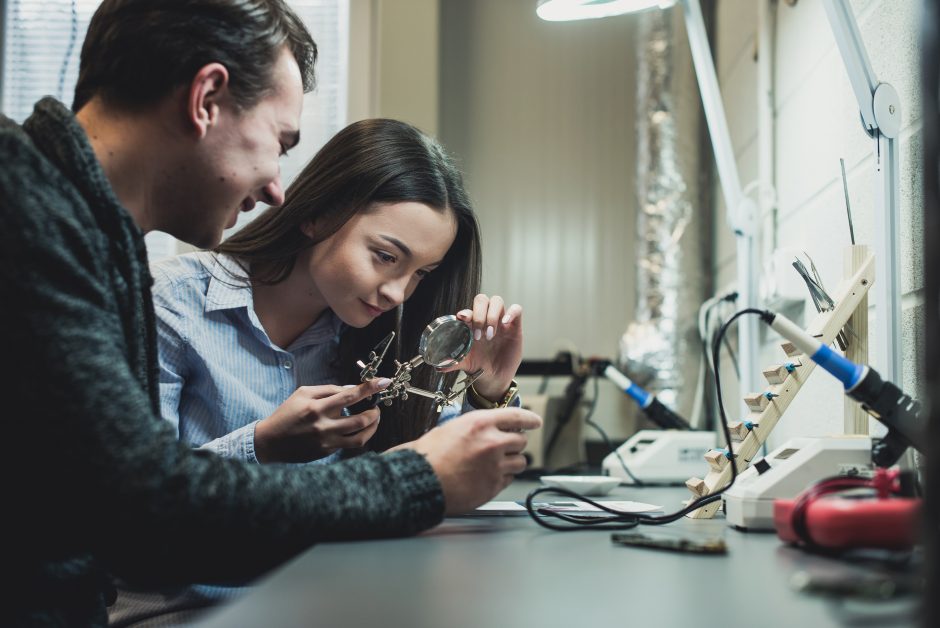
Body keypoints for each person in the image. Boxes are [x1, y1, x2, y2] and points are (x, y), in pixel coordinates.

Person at [0, 1, 540, 625]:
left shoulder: (79, 230)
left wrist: (487, 395)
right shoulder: (31, 214)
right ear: (206, 98)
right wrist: (412, 479)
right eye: (279, 143)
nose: (278, 188)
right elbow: (142, 510)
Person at [152, 118, 525, 467]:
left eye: (421, 274)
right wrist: (261, 445)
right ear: (319, 215)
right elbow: (132, 492)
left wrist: (489, 389)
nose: (398, 294)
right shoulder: (171, 301)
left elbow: (459, 467)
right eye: (385, 256)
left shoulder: (385, 344)